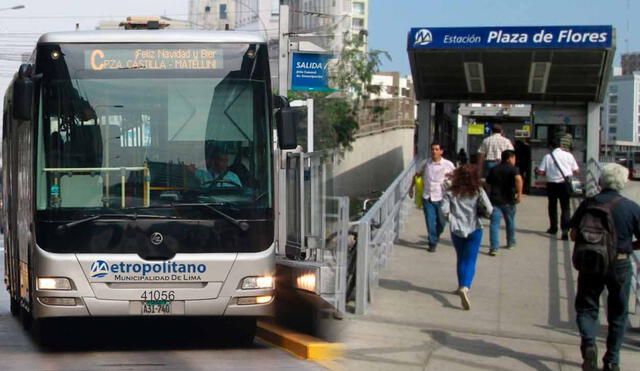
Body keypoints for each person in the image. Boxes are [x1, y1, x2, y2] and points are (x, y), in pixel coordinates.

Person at [569, 164, 640, 371]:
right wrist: (628, 246)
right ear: (623, 182)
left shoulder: (589, 204)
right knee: (618, 313)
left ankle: (589, 344)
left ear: (600, 180)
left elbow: (574, 234)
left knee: (586, 307)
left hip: (591, 261)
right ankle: (612, 361)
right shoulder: (631, 207)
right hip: (620, 262)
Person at [441, 165, 493, 310]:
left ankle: (460, 286)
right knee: (471, 260)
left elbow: (443, 210)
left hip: (457, 229)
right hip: (474, 227)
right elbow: (489, 209)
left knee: (460, 258)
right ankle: (465, 287)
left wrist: (452, 219)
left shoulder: (451, 191)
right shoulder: (478, 191)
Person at [409, 142, 456, 252]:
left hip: (442, 198)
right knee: (430, 221)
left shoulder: (448, 164)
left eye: (436, 149)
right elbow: (417, 175)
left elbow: (456, 176)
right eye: (432, 149)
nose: (434, 151)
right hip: (428, 197)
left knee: (442, 222)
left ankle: (436, 235)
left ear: (441, 151)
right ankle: (432, 242)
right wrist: (411, 188)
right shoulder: (425, 163)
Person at [536, 139, 579, 240]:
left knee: (552, 206)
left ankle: (553, 228)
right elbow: (576, 171)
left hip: (552, 185)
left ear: (550, 147)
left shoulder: (547, 157)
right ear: (560, 145)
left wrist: (540, 172)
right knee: (565, 207)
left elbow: (541, 172)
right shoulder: (569, 155)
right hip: (565, 184)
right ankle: (565, 231)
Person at [486, 150, 523, 256]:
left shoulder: (494, 169)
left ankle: (494, 248)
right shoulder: (514, 169)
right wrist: (519, 194)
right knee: (510, 222)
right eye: (514, 158)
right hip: (509, 200)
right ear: (510, 158)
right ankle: (510, 242)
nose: (515, 160)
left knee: (494, 224)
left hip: (495, 200)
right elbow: (518, 179)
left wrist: (489, 193)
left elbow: (488, 183)